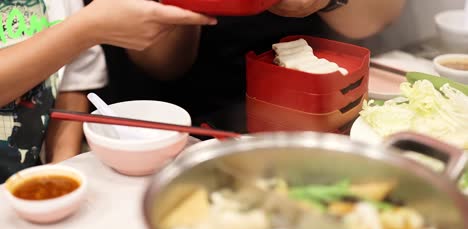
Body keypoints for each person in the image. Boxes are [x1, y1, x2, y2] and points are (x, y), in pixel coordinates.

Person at [0, 0, 215, 182]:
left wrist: (63, 167)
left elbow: (72, 78)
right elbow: (75, 37)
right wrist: (85, 29)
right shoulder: (84, 24)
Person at [124, 0, 406, 125]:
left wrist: (328, 0)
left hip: (318, 100)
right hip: (192, 116)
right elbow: (161, 64)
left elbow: (373, 19)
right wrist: (186, 3)